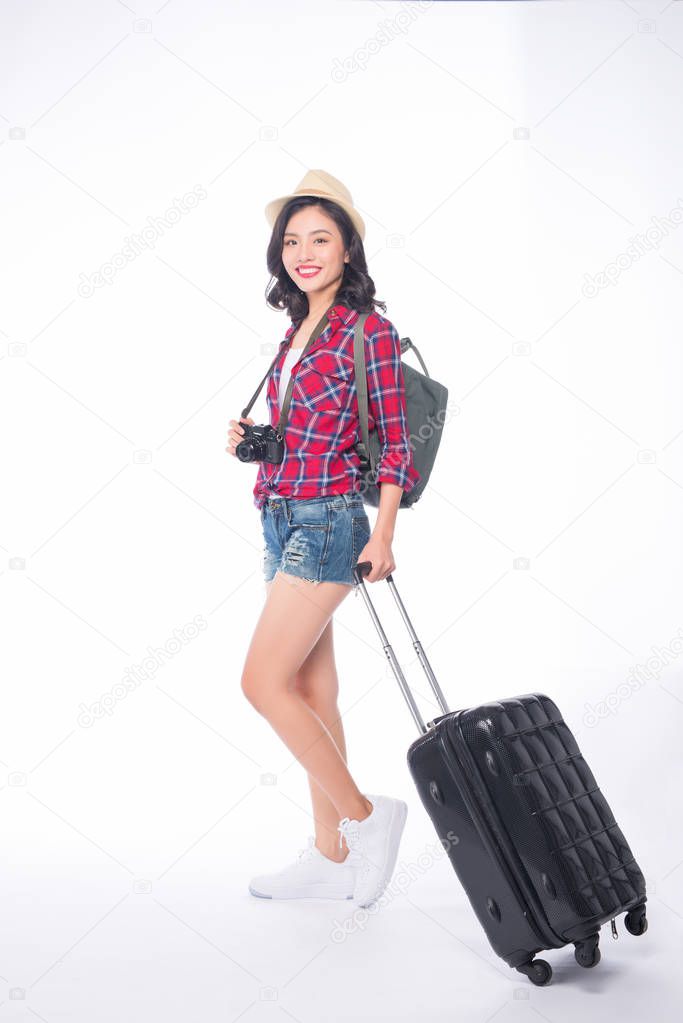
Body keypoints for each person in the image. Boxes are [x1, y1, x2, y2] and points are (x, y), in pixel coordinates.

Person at [226, 170, 420, 907]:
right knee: (308, 685)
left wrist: (386, 532)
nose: (303, 251)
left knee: (260, 682)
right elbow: (315, 434)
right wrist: (257, 441)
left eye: (320, 238)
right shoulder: (293, 330)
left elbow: (395, 441)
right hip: (281, 514)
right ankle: (331, 851)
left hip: (331, 521)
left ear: (348, 249)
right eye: (292, 241)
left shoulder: (367, 328)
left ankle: (367, 818)